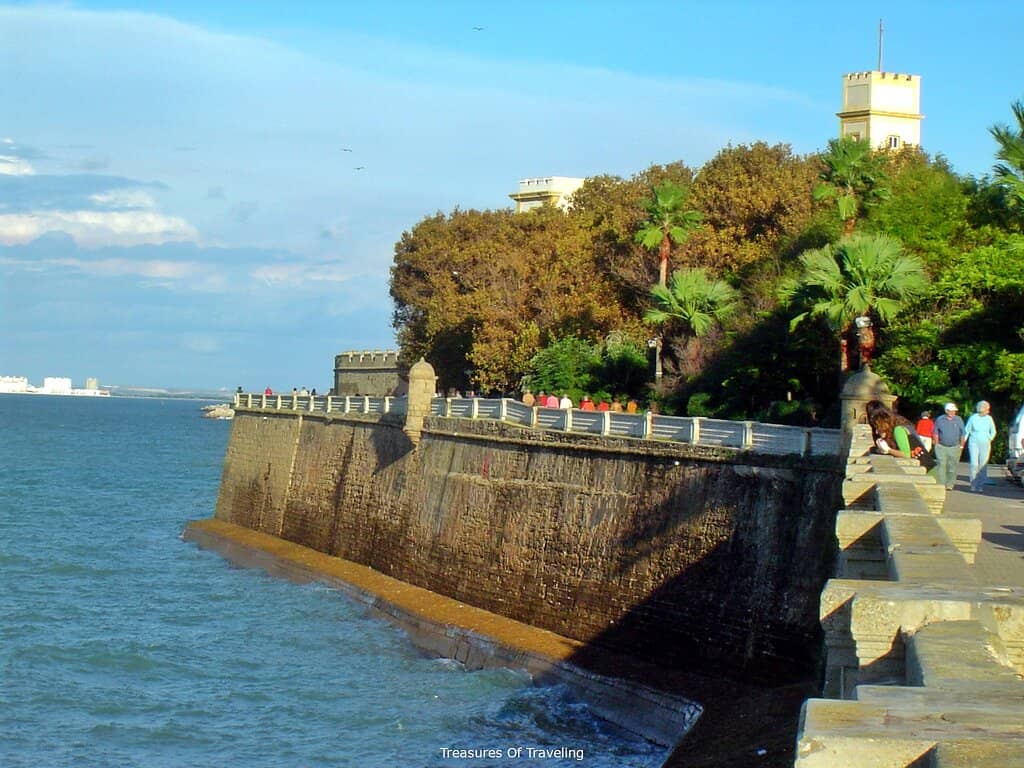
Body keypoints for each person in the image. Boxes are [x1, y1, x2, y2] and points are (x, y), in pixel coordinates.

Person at [964, 400, 997, 493]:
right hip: (973, 442)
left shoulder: (989, 419)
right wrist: (962, 443)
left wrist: (989, 438)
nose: (988, 411)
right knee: (974, 464)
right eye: (987, 409)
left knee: (983, 465)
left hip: (985, 443)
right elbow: (967, 431)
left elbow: (993, 431)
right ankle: (973, 484)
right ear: (982, 409)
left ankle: (980, 485)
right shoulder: (973, 418)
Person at [932, 402, 965, 490]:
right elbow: (935, 432)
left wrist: (961, 446)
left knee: (952, 467)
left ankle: (950, 484)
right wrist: (936, 444)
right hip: (941, 446)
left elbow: (962, 434)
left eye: (954, 411)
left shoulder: (959, 419)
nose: (953, 413)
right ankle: (941, 484)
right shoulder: (940, 419)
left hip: (955, 447)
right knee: (941, 465)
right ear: (946, 411)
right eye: (951, 411)